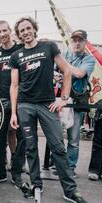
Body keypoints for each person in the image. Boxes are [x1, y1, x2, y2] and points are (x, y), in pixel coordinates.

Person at [9, 16, 87, 203]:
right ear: (19, 35)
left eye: (28, 28)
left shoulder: (49, 47)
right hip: (25, 106)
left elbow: (67, 71)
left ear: (34, 29)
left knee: (58, 147)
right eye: (22, 30)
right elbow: (14, 86)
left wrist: (64, 98)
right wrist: (13, 112)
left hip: (47, 104)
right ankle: (36, 184)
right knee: (31, 148)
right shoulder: (16, 56)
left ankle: (70, 190)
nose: (26, 32)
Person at [0, 20, 25, 187]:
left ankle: (17, 172)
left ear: (10, 30)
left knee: (22, 138)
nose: (3, 34)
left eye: (5, 30)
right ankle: (0, 172)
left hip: (21, 100)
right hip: (2, 100)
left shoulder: (20, 50)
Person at [63, 29, 95, 177]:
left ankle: (70, 167)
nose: (76, 43)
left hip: (76, 103)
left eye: (79, 40)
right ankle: (56, 163)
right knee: (56, 136)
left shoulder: (89, 59)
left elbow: (79, 73)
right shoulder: (65, 54)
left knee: (73, 139)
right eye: (74, 40)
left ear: (85, 42)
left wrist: (62, 65)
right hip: (61, 101)